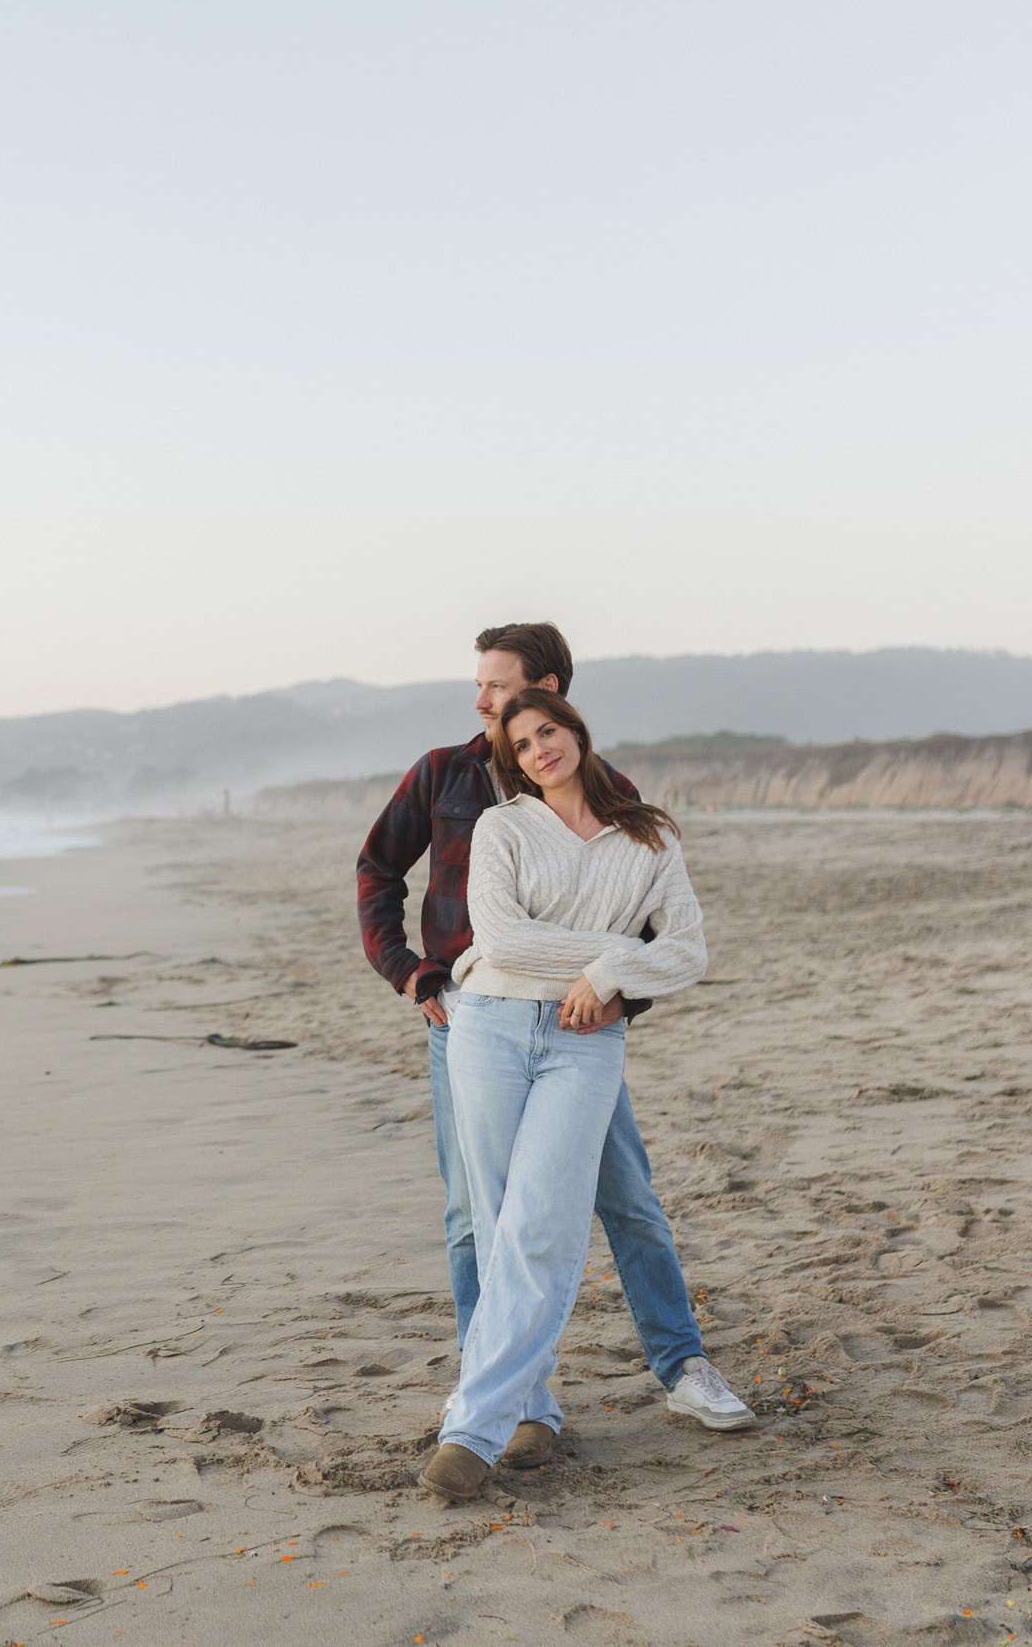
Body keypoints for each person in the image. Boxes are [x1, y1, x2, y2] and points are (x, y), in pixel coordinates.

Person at [356, 623, 751, 1470]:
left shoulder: (622, 803)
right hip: (471, 1021)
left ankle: (682, 1365)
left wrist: (619, 990)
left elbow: (654, 937)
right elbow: (378, 870)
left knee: (630, 1202)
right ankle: (504, 1392)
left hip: (581, 1033)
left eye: (497, 688)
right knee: (478, 1218)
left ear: (554, 693)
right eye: (486, 692)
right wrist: (415, 977)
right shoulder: (445, 774)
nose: (483, 703)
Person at [418, 687, 715, 1502]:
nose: (540, 748)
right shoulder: (503, 827)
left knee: (543, 1225)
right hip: (488, 1025)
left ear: (576, 731)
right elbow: (501, 936)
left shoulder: (648, 837)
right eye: (523, 743)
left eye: (549, 730)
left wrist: (609, 976)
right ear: (513, 759)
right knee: (495, 1220)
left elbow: (689, 949)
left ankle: (471, 1429)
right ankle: (527, 1406)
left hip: (586, 1040)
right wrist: (618, 952)